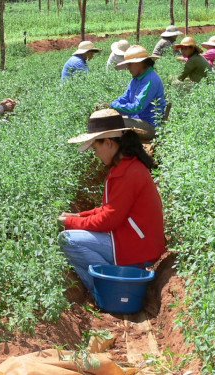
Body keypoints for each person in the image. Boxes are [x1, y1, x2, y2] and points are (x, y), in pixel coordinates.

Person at [58, 109, 165, 293]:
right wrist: (79, 215)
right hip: (139, 243)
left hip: (137, 248)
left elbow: (109, 219)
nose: (95, 154)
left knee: (67, 239)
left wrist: (70, 222)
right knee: (74, 234)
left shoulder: (127, 173)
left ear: (108, 143)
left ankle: (114, 287)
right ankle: (111, 283)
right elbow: (110, 209)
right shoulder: (127, 166)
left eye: (95, 147)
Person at [110, 45, 166, 141]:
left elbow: (138, 107)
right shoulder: (136, 79)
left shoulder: (150, 80)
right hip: (138, 120)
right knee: (108, 119)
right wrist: (113, 105)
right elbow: (125, 97)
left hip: (150, 126)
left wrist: (114, 106)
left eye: (130, 64)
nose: (128, 67)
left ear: (140, 63)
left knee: (112, 122)